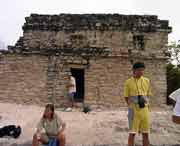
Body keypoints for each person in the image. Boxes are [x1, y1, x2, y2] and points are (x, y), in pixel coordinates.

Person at [124, 62, 152, 146]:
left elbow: (148, 94)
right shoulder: (128, 82)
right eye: (139, 70)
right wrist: (131, 106)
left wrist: (145, 101)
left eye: (142, 70)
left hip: (144, 110)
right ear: (134, 70)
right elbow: (126, 96)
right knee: (132, 133)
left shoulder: (147, 80)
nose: (141, 72)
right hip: (133, 110)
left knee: (146, 133)